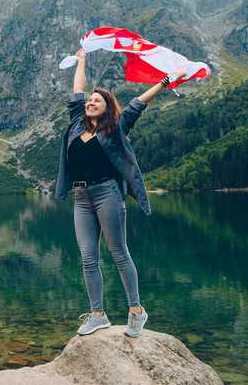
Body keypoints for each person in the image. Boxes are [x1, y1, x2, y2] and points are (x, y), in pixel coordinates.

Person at [55, 48, 185, 338]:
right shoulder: (77, 124)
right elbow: (77, 88)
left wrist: (165, 81)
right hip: (81, 199)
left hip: (107, 195)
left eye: (97, 100)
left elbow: (139, 103)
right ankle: (98, 314)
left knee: (119, 253)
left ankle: (136, 311)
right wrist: (83, 61)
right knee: (88, 258)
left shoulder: (116, 128)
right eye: (90, 100)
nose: (90, 101)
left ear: (106, 107)